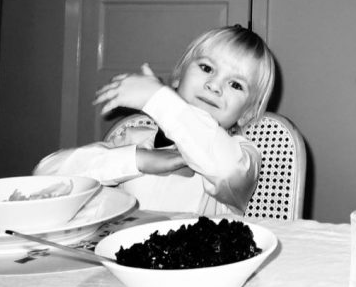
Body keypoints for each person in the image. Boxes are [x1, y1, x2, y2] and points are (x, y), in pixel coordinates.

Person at [35, 24, 275, 216]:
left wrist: (158, 99)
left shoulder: (242, 156)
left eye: (236, 85)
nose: (214, 85)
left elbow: (225, 169)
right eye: (206, 68)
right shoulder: (135, 139)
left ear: (247, 113)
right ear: (178, 78)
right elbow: (46, 176)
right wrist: (138, 160)